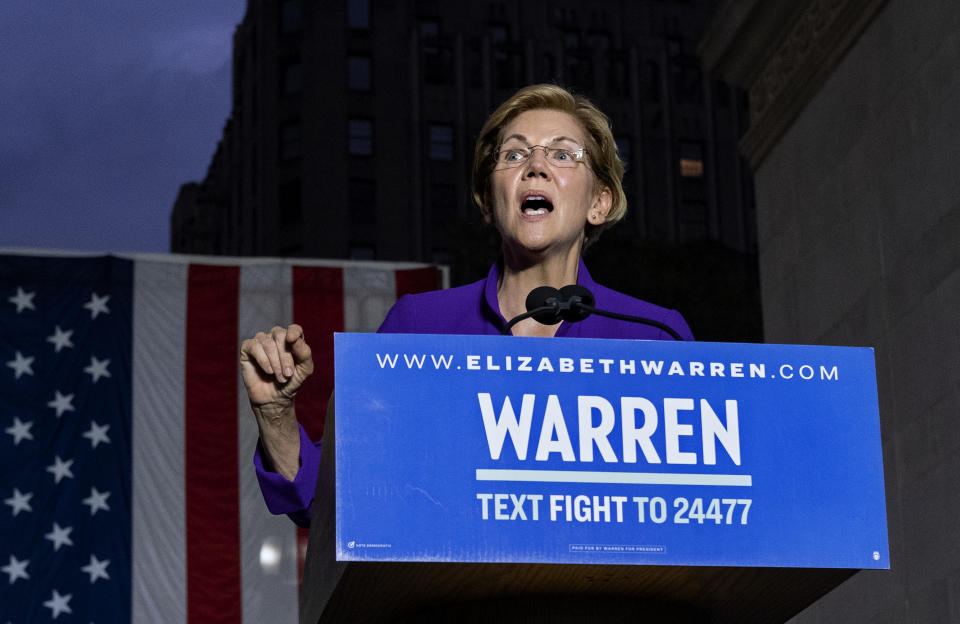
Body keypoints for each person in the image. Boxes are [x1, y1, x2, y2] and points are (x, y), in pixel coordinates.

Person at [240, 84, 693, 527]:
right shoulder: (419, 324)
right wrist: (276, 414)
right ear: (488, 205)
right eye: (514, 155)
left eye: (562, 154)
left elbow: (694, 505)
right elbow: (334, 502)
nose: (535, 166)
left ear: (599, 202)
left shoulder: (655, 336)